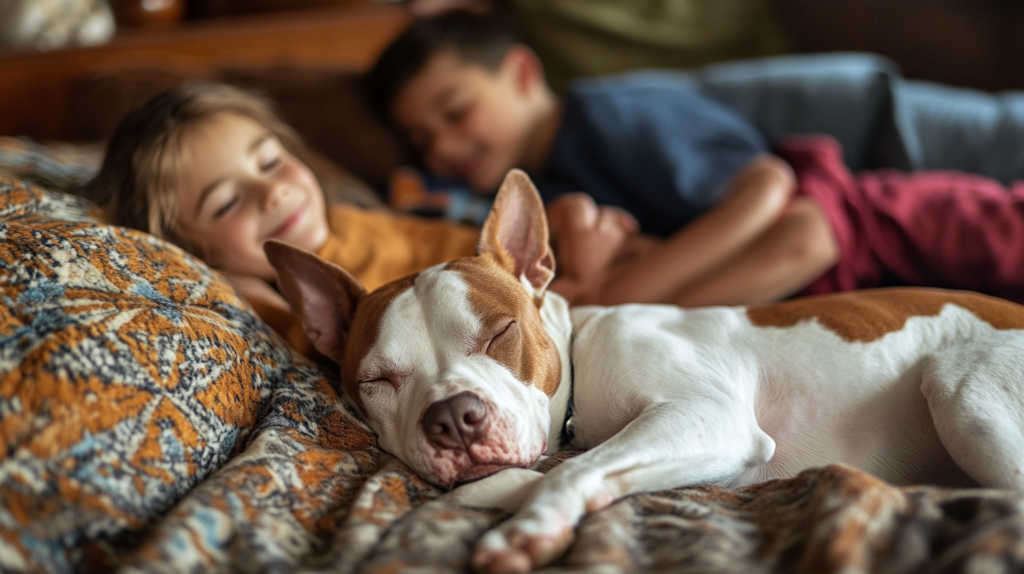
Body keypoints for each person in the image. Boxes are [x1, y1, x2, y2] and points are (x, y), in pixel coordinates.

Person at [365, 10, 1024, 307]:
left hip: (876, 206)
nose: (445, 149)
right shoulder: (538, 189)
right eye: (423, 140)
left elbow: (769, 188)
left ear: (522, 73)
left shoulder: (603, 114)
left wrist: (626, 295)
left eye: (455, 112)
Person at [83, 82, 637, 356]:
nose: (273, 191)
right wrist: (242, 284)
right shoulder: (313, 301)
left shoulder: (353, 217)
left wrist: (562, 231)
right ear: (190, 248)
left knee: (588, 217)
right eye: (226, 203)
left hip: (534, 273)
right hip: (547, 317)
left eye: (271, 161)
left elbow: (478, 247)